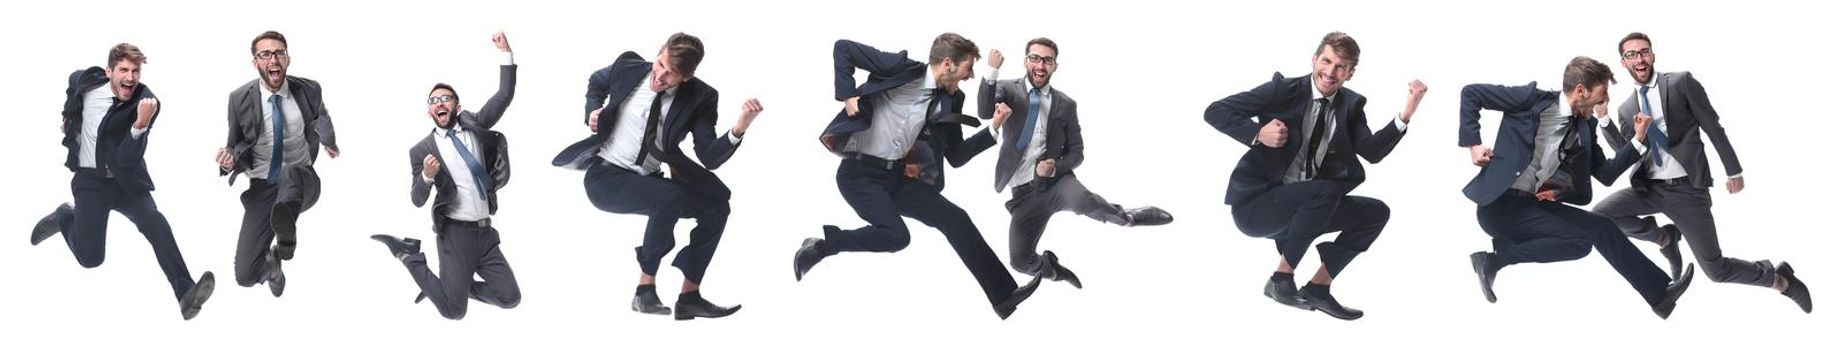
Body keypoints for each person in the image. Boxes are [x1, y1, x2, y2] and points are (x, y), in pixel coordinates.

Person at [793, 33, 1040, 320]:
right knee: (897, 236)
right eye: (968, 67)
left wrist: (994, 128)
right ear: (948, 63)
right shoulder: (901, 69)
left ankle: (1003, 297)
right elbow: (843, 48)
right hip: (859, 175)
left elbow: (957, 156)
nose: (971, 75)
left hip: (897, 177)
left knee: (955, 219)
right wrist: (848, 95)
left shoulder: (952, 99)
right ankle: (822, 246)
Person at [1203, 32, 1425, 320]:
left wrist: (1406, 114)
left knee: (1375, 212)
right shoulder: (1282, 90)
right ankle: (1281, 280)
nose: (1331, 72)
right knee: (1326, 190)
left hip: (1305, 211)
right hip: (1257, 207)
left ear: (1350, 73)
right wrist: (1258, 134)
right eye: (1326, 61)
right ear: (1314, 59)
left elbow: (1371, 152)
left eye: (1341, 67)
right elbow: (1215, 111)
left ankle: (1318, 288)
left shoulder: (1351, 106)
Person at [1591, 32, 1811, 313]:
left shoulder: (1681, 83)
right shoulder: (1626, 108)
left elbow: (1712, 125)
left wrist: (1734, 170)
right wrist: (1603, 117)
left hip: (1686, 190)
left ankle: (1781, 281)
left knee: (1715, 270)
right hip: (1649, 188)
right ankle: (1663, 237)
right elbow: (1626, 150)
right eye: (1631, 54)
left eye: (1644, 51)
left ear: (1653, 55)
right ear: (1624, 63)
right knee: (1600, 215)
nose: (1639, 58)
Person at [1460, 56, 1693, 319]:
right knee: (1578, 241)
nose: (1604, 102)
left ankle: (1661, 296)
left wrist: (1639, 141)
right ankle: (1496, 259)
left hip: (1529, 205)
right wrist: (1474, 145)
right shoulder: (1532, 100)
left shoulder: (1585, 126)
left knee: (1599, 230)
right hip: (1497, 206)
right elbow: (1471, 93)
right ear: (1580, 91)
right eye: (1601, 94)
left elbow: (1605, 173)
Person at [552, 33, 761, 320]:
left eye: (670, 74)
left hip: (649, 181)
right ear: (659, 52)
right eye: (660, 63)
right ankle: (644, 291)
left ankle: (689, 296)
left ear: (686, 77)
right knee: (670, 195)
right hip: (606, 178)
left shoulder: (701, 97)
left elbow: (710, 156)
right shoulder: (628, 68)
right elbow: (596, 82)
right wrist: (593, 111)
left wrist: (739, 128)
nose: (659, 76)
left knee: (717, 208)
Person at [950, 37, 1173, 290]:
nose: (1041, 65)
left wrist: (1054, 166)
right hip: (1023, 194)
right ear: (1026, 62)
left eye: (1047, 60)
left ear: (1055, 66)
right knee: (1020, 261)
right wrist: (992, 70)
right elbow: (984, 111)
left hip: (1055, 183)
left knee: (1082, 200)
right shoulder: (1008, 90)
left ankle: (1129, 217)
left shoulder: (1066, 104)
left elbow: (1077, 153)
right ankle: (1052, 269)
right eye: (1035, 58)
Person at [29, 43, 216, 320]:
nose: (130, 77)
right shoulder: (87, 80)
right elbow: (72, 84)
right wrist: (69, 119)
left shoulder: (147, 103)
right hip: (90, 183)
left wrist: (140, 125)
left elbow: (128, 158)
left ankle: (185, 294)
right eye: (124, 70)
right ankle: (64, 215)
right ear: (109, 72)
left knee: (156, 223)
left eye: (136, 71)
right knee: (90, 259)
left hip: (126, 182)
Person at [371, 32, 522, 320]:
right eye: (434, 100)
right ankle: (409, 255)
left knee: (510, 297)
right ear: (429, 111)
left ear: (457, 106)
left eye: (446, 98)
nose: (440, 103)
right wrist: (427, 177)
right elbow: (416, 199)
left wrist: (506, 54)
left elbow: (504, 96)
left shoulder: (475, 125)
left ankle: (445, 287)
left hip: (486, 233)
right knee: (454, 311)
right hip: (455, 235)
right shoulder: (421, 150)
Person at [215, 31, 342, 297]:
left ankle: (286, 237)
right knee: (245, 276)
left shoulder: (309, 89)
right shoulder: (238, 99)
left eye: (279, 53)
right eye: (265, 54)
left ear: (287, 59)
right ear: (255, 62)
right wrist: (227, 162)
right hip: (262, 187)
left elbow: (322, 118)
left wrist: (329, 142)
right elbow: (234, 144)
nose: (273, 59)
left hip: (302, 181)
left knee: (290, 171)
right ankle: (274, 267)